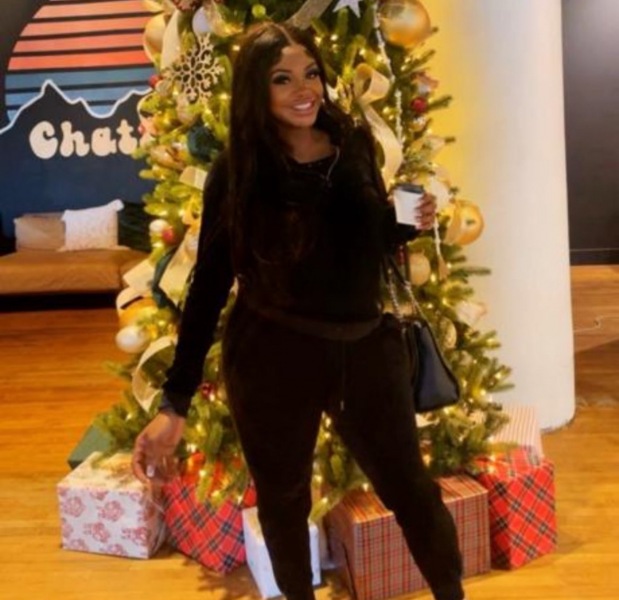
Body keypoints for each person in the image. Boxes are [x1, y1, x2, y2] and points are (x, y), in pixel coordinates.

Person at [132, 22, 465, 600]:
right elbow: (209, 285)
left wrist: (405, 223)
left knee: (412, 489)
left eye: (310, 73)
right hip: (272, 356)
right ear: (255, 91)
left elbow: (364, 242)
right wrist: (175, 402)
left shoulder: (354, 144)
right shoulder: (237, 171)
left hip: (365, 348)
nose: (303, 89)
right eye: (281, 79)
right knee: (284, 502)